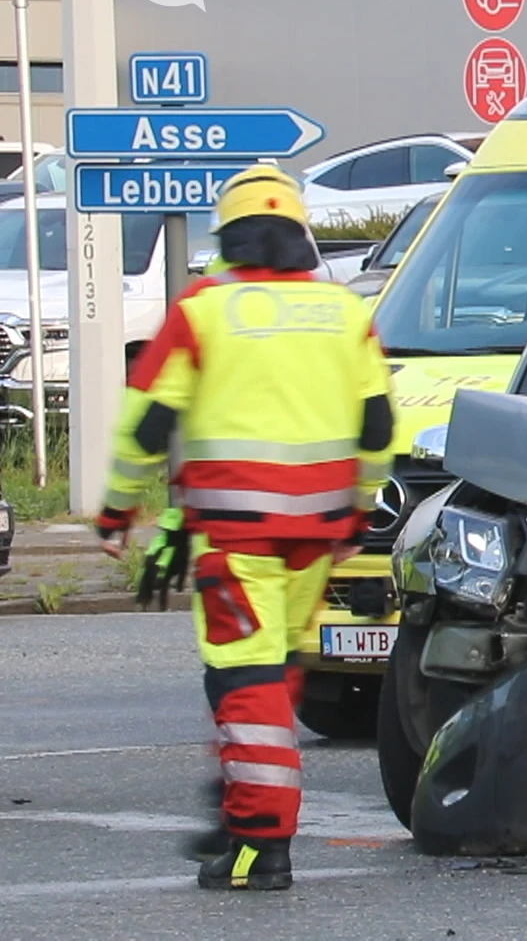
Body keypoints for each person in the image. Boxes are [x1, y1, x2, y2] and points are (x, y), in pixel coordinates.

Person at [95, 164, 396, 891]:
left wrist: (118, 509)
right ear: (302, 236)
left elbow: (150, 420)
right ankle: (239, 799)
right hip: (319, 535)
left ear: (226, 239)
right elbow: (378, 424)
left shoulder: (203, 310)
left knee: (246, 678)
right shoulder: (345, 312)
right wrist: (358, 510)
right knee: (276, 671)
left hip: (239, 539)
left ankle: (260, 842)